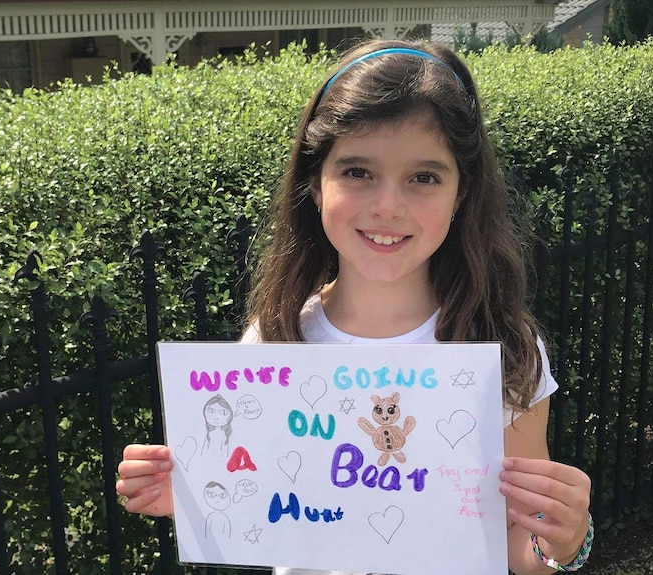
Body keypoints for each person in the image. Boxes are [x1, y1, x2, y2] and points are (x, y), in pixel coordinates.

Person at [117, 38, 592, 575]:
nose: (388, 206)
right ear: (315, 184)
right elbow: (266, 504)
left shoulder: (504, 349)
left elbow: (519, 549)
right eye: (358, 172)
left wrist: (561, 539)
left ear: (461, 194)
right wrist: (195, 494)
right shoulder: (274, 339)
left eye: (424, 177)